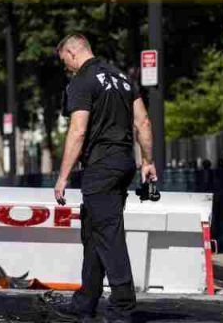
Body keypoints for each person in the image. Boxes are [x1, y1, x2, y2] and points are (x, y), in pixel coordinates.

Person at [49, 34, 156, 323]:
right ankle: (85, 302)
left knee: (108, 234)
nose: (66, 67)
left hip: (101, 167)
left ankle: (123, 306)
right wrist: (148, 161)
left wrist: (63, 177)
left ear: (72, 52)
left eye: (65, 61)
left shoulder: (82, 81)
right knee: (94, 232)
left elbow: (78, 131)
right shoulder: (123, 78)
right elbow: (143, 122)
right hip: (123, 163)